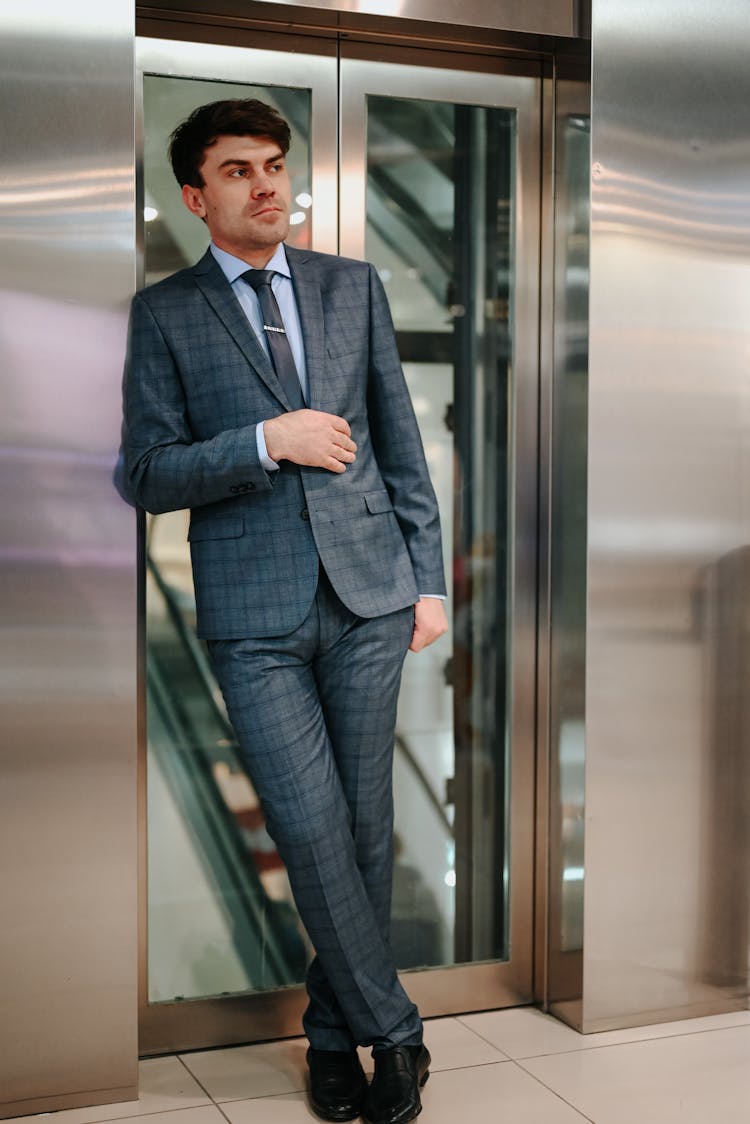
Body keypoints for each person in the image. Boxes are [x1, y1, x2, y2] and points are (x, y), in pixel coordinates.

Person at [121, 98, 448, 1124]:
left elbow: (400, 440)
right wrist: (269, 439)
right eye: (236, 170)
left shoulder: (352, 287)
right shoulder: (166, 311)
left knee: (360, 827)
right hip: (253, 615)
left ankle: (324, 1033)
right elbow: (145, 471)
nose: (265, 183)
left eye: (273, 163)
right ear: (195, 195)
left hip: (370, 599)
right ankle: (393, 1030)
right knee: (308, 827)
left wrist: (427, 579)